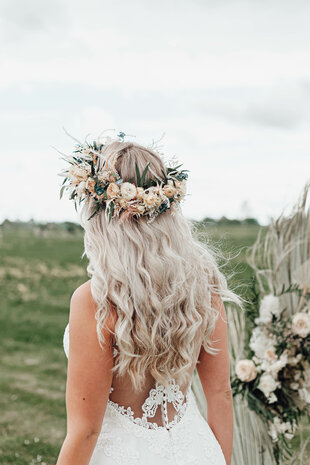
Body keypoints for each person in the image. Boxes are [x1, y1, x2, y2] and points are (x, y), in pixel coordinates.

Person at [56, 132, 242, 465]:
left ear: (101, 212)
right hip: (197, 452)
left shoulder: (95, 300)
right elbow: (220, 395)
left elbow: (85, 431)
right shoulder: (203, 284)